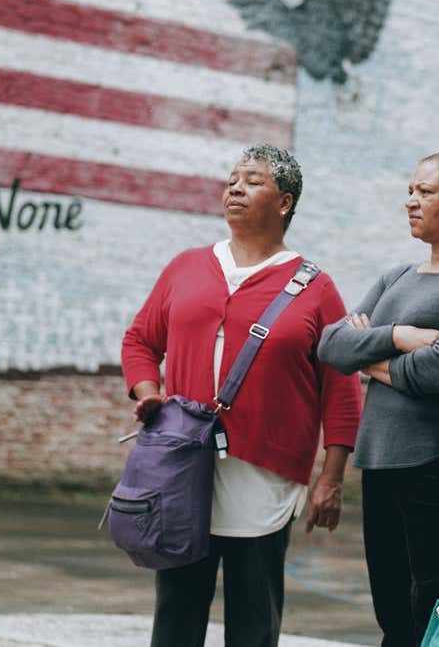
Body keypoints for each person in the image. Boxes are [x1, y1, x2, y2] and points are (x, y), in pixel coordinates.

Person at [120, 144, 361, 647]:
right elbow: (140, 340)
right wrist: (149, 394)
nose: (235, 188)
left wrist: (331, 477)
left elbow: (341, 387)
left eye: (252, 181)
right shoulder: (186, 266)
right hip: (183, 465)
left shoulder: (315, 287)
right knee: (177, 610)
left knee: (254, 614)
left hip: (266, 473)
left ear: (285, 203)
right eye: (232, 179)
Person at [319, 151, 439, 647]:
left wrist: (369, 357)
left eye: (425, 192)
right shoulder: (396, 277)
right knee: (392, 615)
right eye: (410, 191)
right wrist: (399, 335)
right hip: (380, 464)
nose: (410, 202)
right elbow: (331, 346)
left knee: (434, 612)